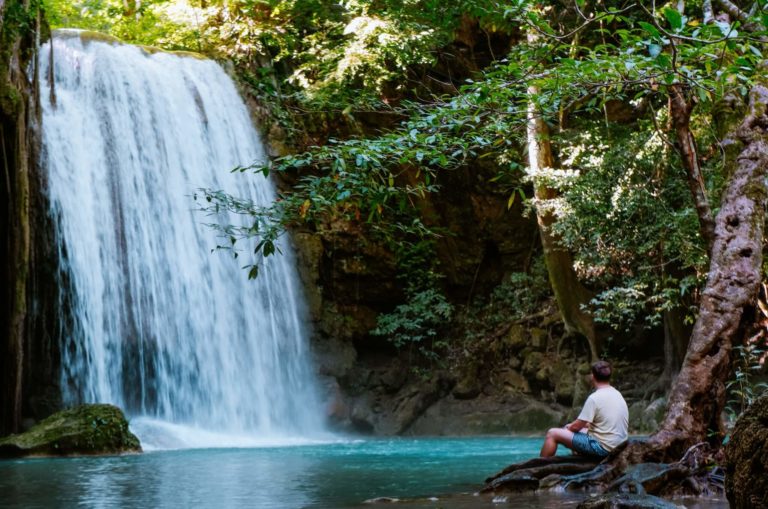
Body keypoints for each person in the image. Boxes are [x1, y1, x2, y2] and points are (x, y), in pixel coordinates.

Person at [539, 360, 628, 458]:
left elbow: (576, 427)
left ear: (593, 376)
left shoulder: (594, 398)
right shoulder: (617, 394)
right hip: (619, 446)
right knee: (579, 430)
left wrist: (569, 427)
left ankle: (540, 464)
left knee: (552, 433)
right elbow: (602, 422)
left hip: (603, 448)